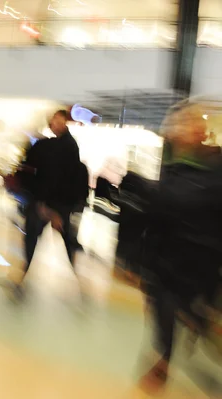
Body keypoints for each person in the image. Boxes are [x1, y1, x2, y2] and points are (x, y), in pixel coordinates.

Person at [137, 101, 222, 394]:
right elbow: (157, 218)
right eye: (178, 126)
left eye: (190, 124)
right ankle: (164, 360)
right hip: (167, 259)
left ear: (201, 132)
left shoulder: (215, 168)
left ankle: (198, 329)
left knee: (191, 310)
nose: (182, 130)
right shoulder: (171, 169)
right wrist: (145, 264)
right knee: (164, 308)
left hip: (203, 260)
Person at [0, 110, 87, 296]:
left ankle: (22, 280)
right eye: (52, 121)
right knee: (52, 240)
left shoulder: (59, 147)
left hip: (51, 205)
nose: (54, 124)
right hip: (55, 204)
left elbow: (56, 178)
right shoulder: (62, 146)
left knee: (36, 239)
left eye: (57, 120)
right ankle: (22, 279)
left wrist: (46, 206)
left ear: (64, 122)